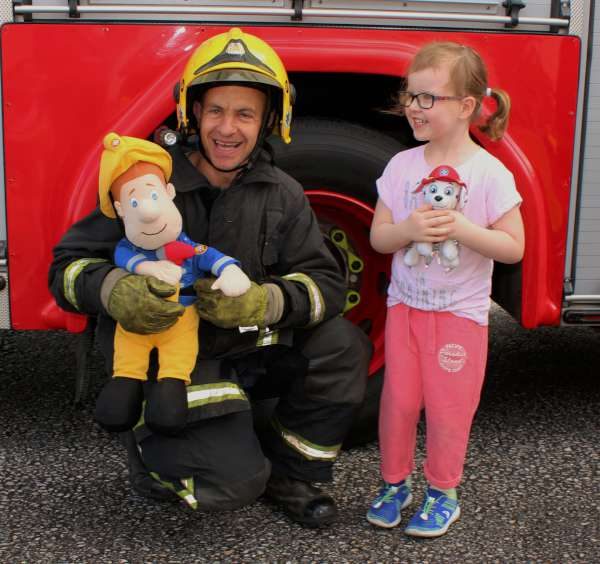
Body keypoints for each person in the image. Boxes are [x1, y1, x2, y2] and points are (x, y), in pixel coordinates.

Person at [48, 27, 371, 527]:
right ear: (193, 112)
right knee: (230, 486)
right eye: (216, 110)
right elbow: (66, 268)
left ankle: (287, 474)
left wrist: (265, 302)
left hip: (246, 348)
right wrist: (116, 289)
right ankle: (158, 458)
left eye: (245, 113)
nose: (228, 128)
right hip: (170, 363)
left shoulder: (281, 192)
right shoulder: (148, 182)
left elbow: (325, 284)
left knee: (342, 345)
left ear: (268, 120)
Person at [366, 41, 524, 537]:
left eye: (428, 98)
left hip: (460, 316)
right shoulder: (401, 167)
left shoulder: (490, 174)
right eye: (410, 96)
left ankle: (443, 493)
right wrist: (409, 230)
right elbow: (379, 237)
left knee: (450, 407)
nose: (414, 107)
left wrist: (461, 228)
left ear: (466, 107)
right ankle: (395, 485)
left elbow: (513, 248)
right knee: (397, 401)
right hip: (405, 310)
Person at [94, 132, 250, 436]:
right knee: (128, 361)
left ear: (168, 192)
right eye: (135, 201)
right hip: (135, 322)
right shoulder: (129, 247)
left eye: (153, 197)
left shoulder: (184, 245)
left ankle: (170, 396)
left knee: (176, 364)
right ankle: (124, 387)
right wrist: (146, 268)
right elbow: (121, 255)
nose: (148, 212)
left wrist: (230, 271)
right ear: (122, 209)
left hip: (181, 319)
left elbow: (207, 256)